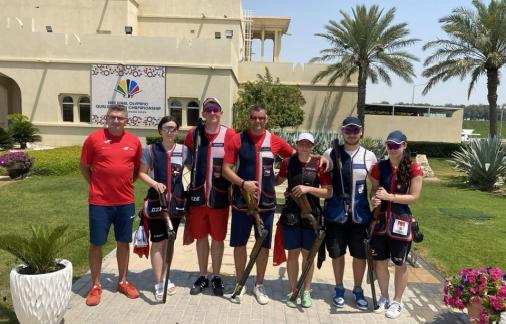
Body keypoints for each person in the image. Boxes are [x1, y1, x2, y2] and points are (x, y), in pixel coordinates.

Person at [222, 104, 294, 305]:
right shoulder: (236, 139)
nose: (258, 121)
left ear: (266, 119)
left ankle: (259, 284)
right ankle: (240, 281)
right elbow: (226, 169)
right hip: (241, 203)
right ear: (249, 119)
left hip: (267, 205)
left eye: (261, 118)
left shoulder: (275, 141)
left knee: (263, 245)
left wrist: (281, 178)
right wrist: (243, 183)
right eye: (254, 117)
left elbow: (294, 157)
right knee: (239, 244)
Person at [80, 104, 142, 306]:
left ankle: (122, 281)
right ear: (106, 118)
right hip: (100, 202)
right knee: (96, 243)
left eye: (120, 118)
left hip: (125, 202)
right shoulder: (94, 139)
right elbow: (84, 166)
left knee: (124, 242)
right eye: (113, 117)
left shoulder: (134, 142)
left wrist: (123, 184)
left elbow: (135, 170)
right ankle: (96, 285)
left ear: (126, 120)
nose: (116, 120)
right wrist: (96, 185)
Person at [322, 116, 377, 310]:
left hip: (360, 215)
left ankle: (358, 289)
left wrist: (375, 201)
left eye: (355, 130)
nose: (351, 134)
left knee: (359, 255)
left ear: (361, 131)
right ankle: (339, 288)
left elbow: (375, 187)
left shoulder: (369, 156)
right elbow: (321, 174)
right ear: (342, 131)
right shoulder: (330, 153)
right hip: (336, 214)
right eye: (348, 130)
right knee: (337, 253)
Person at [275, 132, 333, 308]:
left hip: (311, 215)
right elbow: (278, 180)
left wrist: (308, 189)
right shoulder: (287, 162)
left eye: (308, 144)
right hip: (291, 214)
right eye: (302, 143)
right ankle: (294, 290)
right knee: (293, 254)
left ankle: (306, 291)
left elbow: (328, 191)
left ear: (312, 146)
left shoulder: (319, 164)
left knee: (308, 256)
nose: (305, 147)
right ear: (297, 144)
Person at [184, 97, 235, 296]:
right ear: (204, 113)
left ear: (221, 113)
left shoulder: (229, 134)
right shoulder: (193, 134)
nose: (212, 113)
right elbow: (189, 159)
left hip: (219, 196)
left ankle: (216, 276)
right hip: (198, 196)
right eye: (209, 109)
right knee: (201, 237)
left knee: (218, 238)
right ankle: (203, 275)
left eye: (216, 109)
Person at [370, 130, 423, 319]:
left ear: (404, 146)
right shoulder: (379, 167)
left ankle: (397, 301)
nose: (392, 149)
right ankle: (383, 296)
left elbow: (414, 197)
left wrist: (390, 197)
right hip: (380, 222)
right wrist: (375, 199)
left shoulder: (414, 168)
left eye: (396, 145)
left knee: (400, 263)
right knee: (380, 262)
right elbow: (374, 191)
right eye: (389, 145)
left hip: (401, 221)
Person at [138, 116, 191, 301]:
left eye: (174, 128)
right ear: (160, 130)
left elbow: (193, 170)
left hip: (176, 204)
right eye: (167, 128)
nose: (170, 132)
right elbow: (141, 173)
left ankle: (166, 277)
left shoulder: (184, 151)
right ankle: (159, 281)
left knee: (170, 242)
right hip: (156, 204)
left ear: (177, 131)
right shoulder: (150, 150)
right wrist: (155, 184)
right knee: (158, 243)